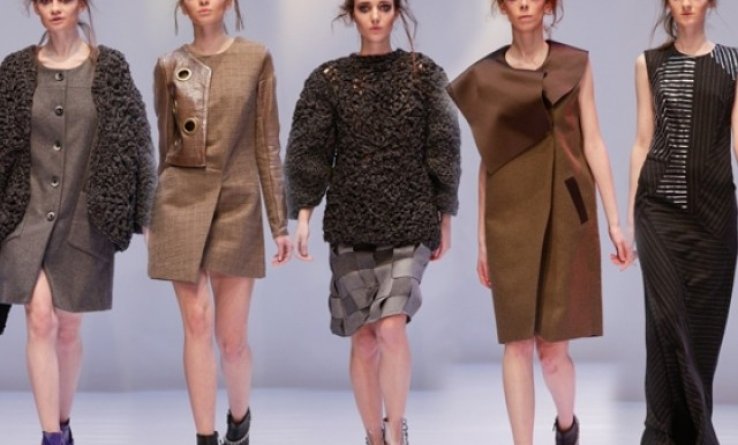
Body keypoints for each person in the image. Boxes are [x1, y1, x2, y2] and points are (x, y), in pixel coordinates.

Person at [448, 1, 631, 444]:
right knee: (516, 342)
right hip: (508, 218)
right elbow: (489, 160)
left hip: (567, 213)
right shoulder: (488, 77)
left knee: (552, 352)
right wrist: (482, 240)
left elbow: (594, 142)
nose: (525, 4)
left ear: (550, 5)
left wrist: (614, 221)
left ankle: (567, 425)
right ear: (502, 6)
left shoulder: (574, 63)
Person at [285, 1, 460, 444]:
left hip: (410, 219)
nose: (376, 16)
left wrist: (446, 213)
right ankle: (373, 436)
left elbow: (443, 145)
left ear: (398, 12)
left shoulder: (424, 75)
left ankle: (396, 431)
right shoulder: (329, 80)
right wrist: (303, 215)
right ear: (352, 14)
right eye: (365, 7)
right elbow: (310, 150)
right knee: (363, 339)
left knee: (391, 327)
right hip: (352, 222)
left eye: (385, 6)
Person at [0, 1, 156, 444]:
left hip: (85, 217)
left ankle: (64, 424)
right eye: (44, 0)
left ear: (82, 4)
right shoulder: (15, 70)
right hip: (25, 214)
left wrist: (147, 217)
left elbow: (138, 142)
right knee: (40, 319)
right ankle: (50, 437)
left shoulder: (109, 69)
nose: (54, 8)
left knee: (68, 328)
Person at [147, 1, 291, 444]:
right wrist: (153, 215)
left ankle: (239, 422)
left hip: (237, 204)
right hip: (180, 204)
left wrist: (279, 223)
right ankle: (204, 438)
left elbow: (267, 143)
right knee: (196, 323)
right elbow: (166, 146)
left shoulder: (255, 57)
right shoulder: (168, 65)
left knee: (231, 340)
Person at [627, 0, 737, 443]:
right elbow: (642, 140)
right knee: (666, 325)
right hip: (658, 211)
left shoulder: (732, 63)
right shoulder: (648, 63)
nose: (687, 3)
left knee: (700, 340)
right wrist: (629, 221)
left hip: (715, 219)